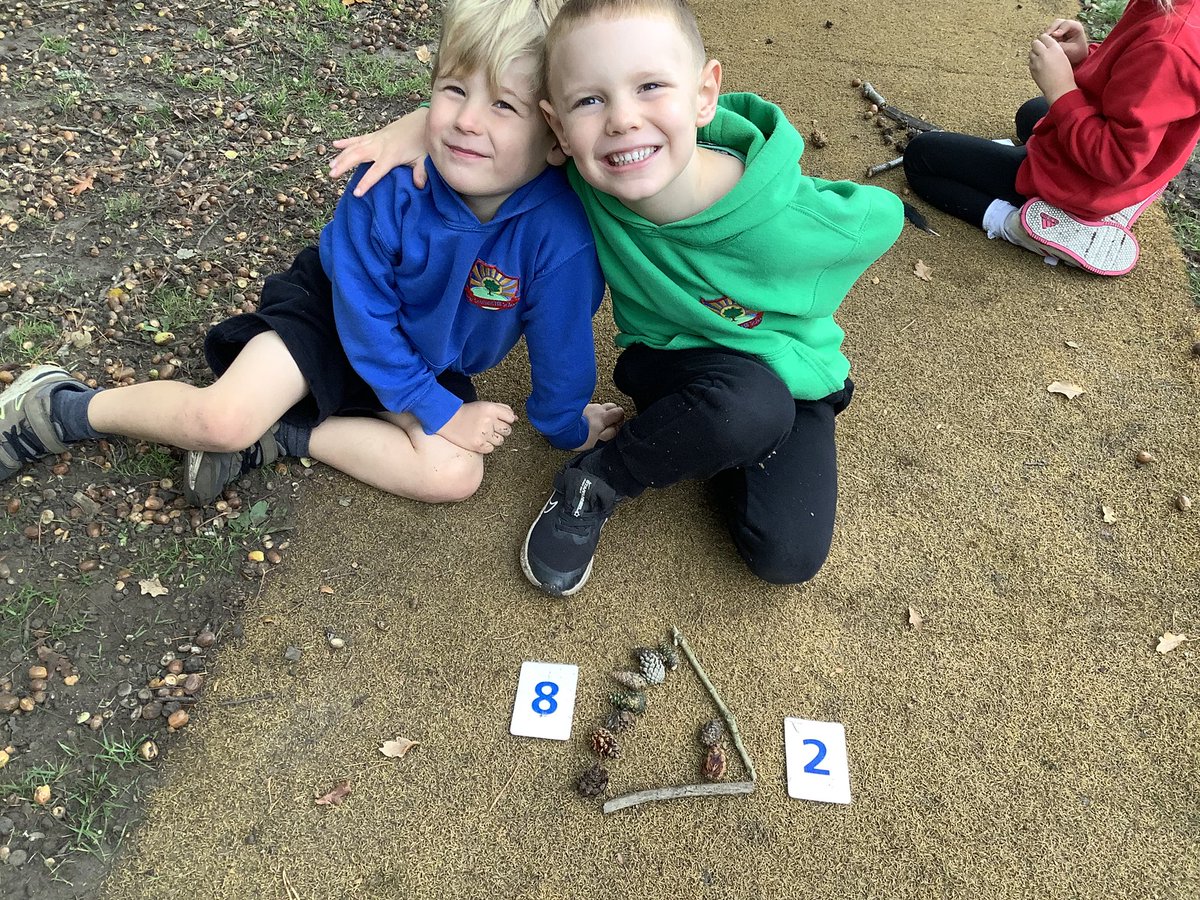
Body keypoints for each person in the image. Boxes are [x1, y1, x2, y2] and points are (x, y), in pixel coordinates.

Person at [329, 0, 904, 596]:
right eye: (590, 100)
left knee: (785, 555)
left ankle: (714, 436)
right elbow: (488, 127)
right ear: (559, 131)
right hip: (672, 361)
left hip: (785, 373)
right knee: (749, 408)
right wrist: (414, 126)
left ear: (704, 94)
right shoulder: (589, 176)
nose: (622, 121)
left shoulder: (797, 216)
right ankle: (596, 482)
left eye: (651, 87)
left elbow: (883, 216)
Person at [0, 0, 623, 508]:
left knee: (452, 475)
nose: (464, 121)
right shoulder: (387, 187)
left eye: (503, 106)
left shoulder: (560, 235)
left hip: (423, 359)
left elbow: (563, 348)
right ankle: (59, 407)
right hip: (331, 317)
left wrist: (566, 425)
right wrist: (432, 407)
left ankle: (282, 437)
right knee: (222, 418)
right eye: (453, 89)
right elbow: (362, 316)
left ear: (555, 136)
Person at [903, 0, 1200, 276]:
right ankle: (1120, 199)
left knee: (921, 157)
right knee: (1031, 113)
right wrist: (1085, 58)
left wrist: (1061, 90)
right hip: (1139, 164)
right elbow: (1131, 80)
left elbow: (1114, 161)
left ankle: (1017, 225)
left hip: (1088, 181)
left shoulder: (1168, 47)